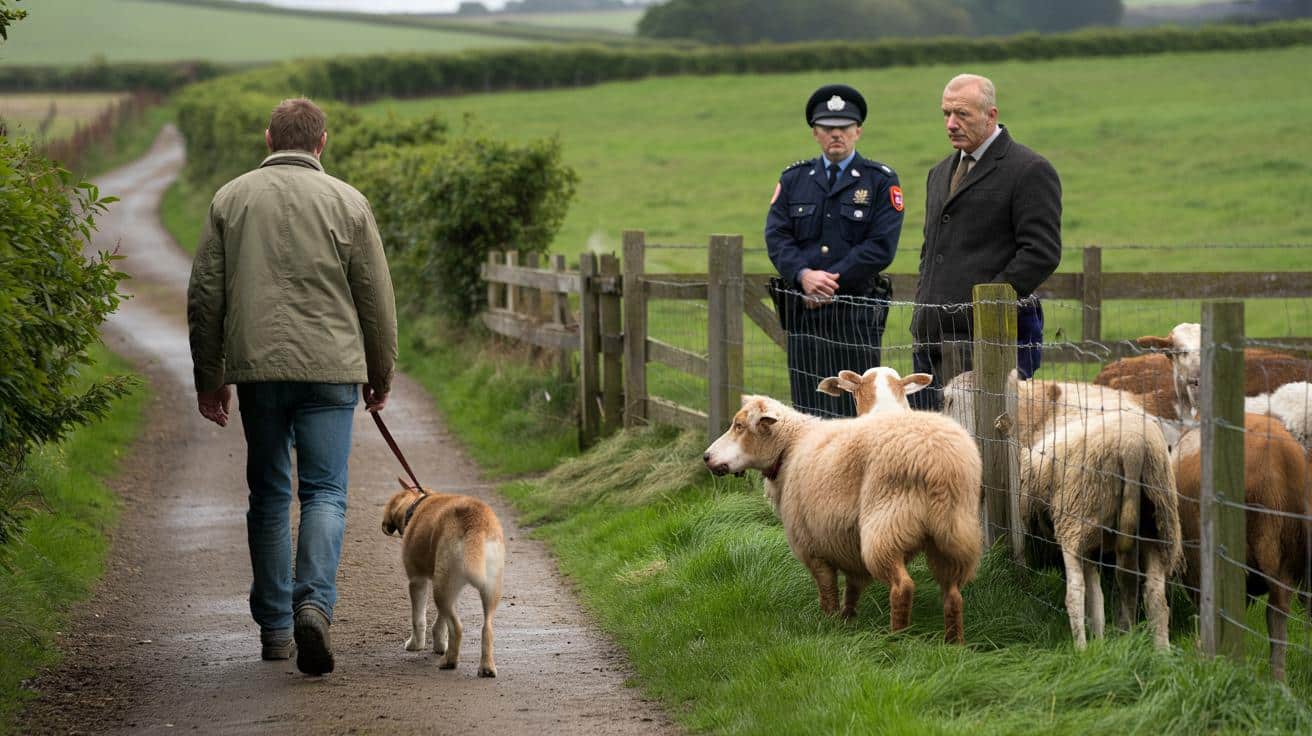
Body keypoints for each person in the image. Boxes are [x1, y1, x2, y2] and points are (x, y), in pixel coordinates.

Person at [187, 97, 397, 676]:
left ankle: (277, 629)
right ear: (322, 142)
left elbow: (206, 294)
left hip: (257, 371)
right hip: (330, 370)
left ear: (267, 137)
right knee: (326, 492)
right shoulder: (349, 202)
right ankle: (314, 605)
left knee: (271, 493)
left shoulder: (230, 198)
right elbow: (376, 301)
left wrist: (210, 378)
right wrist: (379, 376)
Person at [909, 73, 1061, 411]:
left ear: (991, 115)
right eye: (946, 113)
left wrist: (987, 304)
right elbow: (931, 251)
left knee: (988, 453)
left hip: (987, 342)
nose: (950, 123)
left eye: (962, 114)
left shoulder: (1028, 169)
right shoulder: (938, 173)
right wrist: (923, 306)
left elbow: (1042, 252)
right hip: (931, 340)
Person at [765, 83, 903, 417]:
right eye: (827, 128)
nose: (836, 135)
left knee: (857, 409)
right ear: (815, 132)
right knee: (807, 409)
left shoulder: (880, 180)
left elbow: (881, 246)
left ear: (858, 130)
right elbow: (777, 235)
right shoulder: (794, 179)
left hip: (855, 313)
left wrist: (828, 282)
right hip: (804, 315)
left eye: (843, 128)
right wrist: (803, 276)